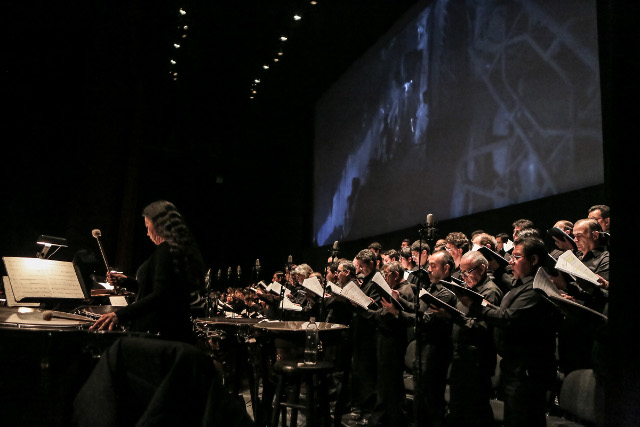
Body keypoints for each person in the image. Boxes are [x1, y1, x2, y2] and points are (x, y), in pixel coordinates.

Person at [460, 236, 561, 427]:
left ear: (534, 260)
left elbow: (508, 319)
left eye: (516, 257)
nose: (511, 262)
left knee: (523, 419)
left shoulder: (536, 289)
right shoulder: (522, 285)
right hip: (515, 369)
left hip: (527, 372)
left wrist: (476, 306)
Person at [91, 200, 205, 344]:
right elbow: (156, 289)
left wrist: (119, 315)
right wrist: (126, 281)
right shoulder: (175, 249)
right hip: (168, 333)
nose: (147, 233)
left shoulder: (166, 250)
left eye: (147, 226)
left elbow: (161, 296)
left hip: (160, 336)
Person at [432, 251, 503, 427]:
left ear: (482, 268)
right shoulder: (468, 288)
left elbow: (484, 327)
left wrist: (452, 316)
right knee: (459, 407)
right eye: (461, 273)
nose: (464, 277)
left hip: (477, 359)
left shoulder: (490, 291)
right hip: (461, 355)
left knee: (475, 409)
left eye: (468, 272)